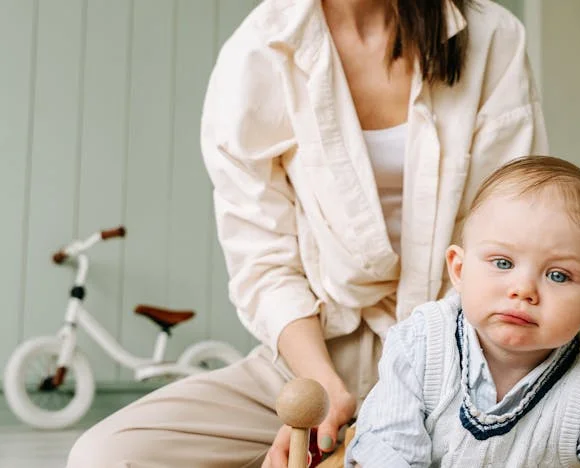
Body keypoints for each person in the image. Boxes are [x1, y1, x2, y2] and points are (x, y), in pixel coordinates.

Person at [66, 0, 547, 466]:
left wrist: (404, 406)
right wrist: (323, 394)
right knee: (105, 456)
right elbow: (265, 263)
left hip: (469, 352)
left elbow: (513, 231)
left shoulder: (490, 36)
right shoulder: (257, 52)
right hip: (319, 351)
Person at [345, 156, 580, 467]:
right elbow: (388, 450)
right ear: (459, 270)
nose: (523, 290)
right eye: (503, 263)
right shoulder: (422, 344)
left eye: (558, 275)